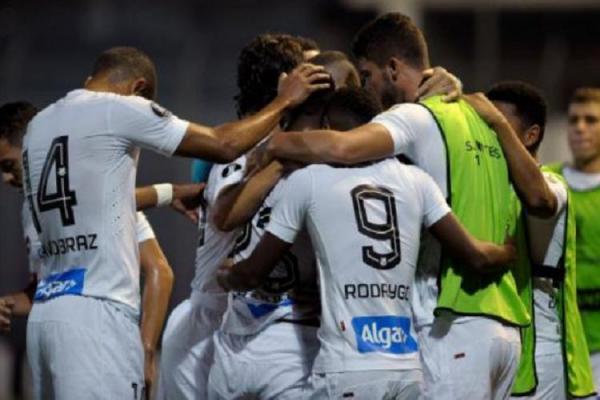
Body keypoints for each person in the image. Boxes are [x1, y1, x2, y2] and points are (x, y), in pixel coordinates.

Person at [19, 45, 327, 399]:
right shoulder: (118, 107)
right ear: (138, 89)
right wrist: (284, 102)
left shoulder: (39, 126)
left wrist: (168, 192)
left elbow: (94, 203)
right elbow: (223, 144)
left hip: (47, 314)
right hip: (98, 314)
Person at [264, 13, 529, 399]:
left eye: (367, 76)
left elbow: (342, 146)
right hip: (501, 324)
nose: (367, 90)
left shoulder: (412, 119)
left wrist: (273, 142)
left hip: (448, 322)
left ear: (391, 68)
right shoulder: (473, 114)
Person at [216, 85, 517, 399]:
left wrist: (226, 274)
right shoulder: (417, 181)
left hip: (347, 367)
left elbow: (251, 274)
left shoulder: (310, 181)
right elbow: (477, 255)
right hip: (406, 366)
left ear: (329, 130)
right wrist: (509, 251)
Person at [157, 33, 317, 399]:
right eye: (308, 75)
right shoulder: (250, 151)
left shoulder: (248, 147)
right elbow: (224, 214)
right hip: (210, 327)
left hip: (236, 319)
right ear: (285, 85)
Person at [0, 101, 182, 399]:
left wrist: (146, 350)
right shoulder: (28, 210)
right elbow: (44, 288)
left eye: (8, 165)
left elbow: (159, 270)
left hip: (102, 339)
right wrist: (7, 303)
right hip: (53, 339)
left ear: (34, 147)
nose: (7, 179)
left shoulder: (93, 188)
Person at [465, 83, 595, 398]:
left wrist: (495, 122)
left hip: (541, 354)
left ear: (531, 135)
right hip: (494, 349)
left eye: (496, 125)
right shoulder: (484, 189)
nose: (487, 135)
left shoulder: (552, 185)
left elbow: (540, 200)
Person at [546, 87, 600, 387]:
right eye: (574, 120)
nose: (580, 128)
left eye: (591, 120)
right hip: (557, 338)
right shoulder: (546, 183)